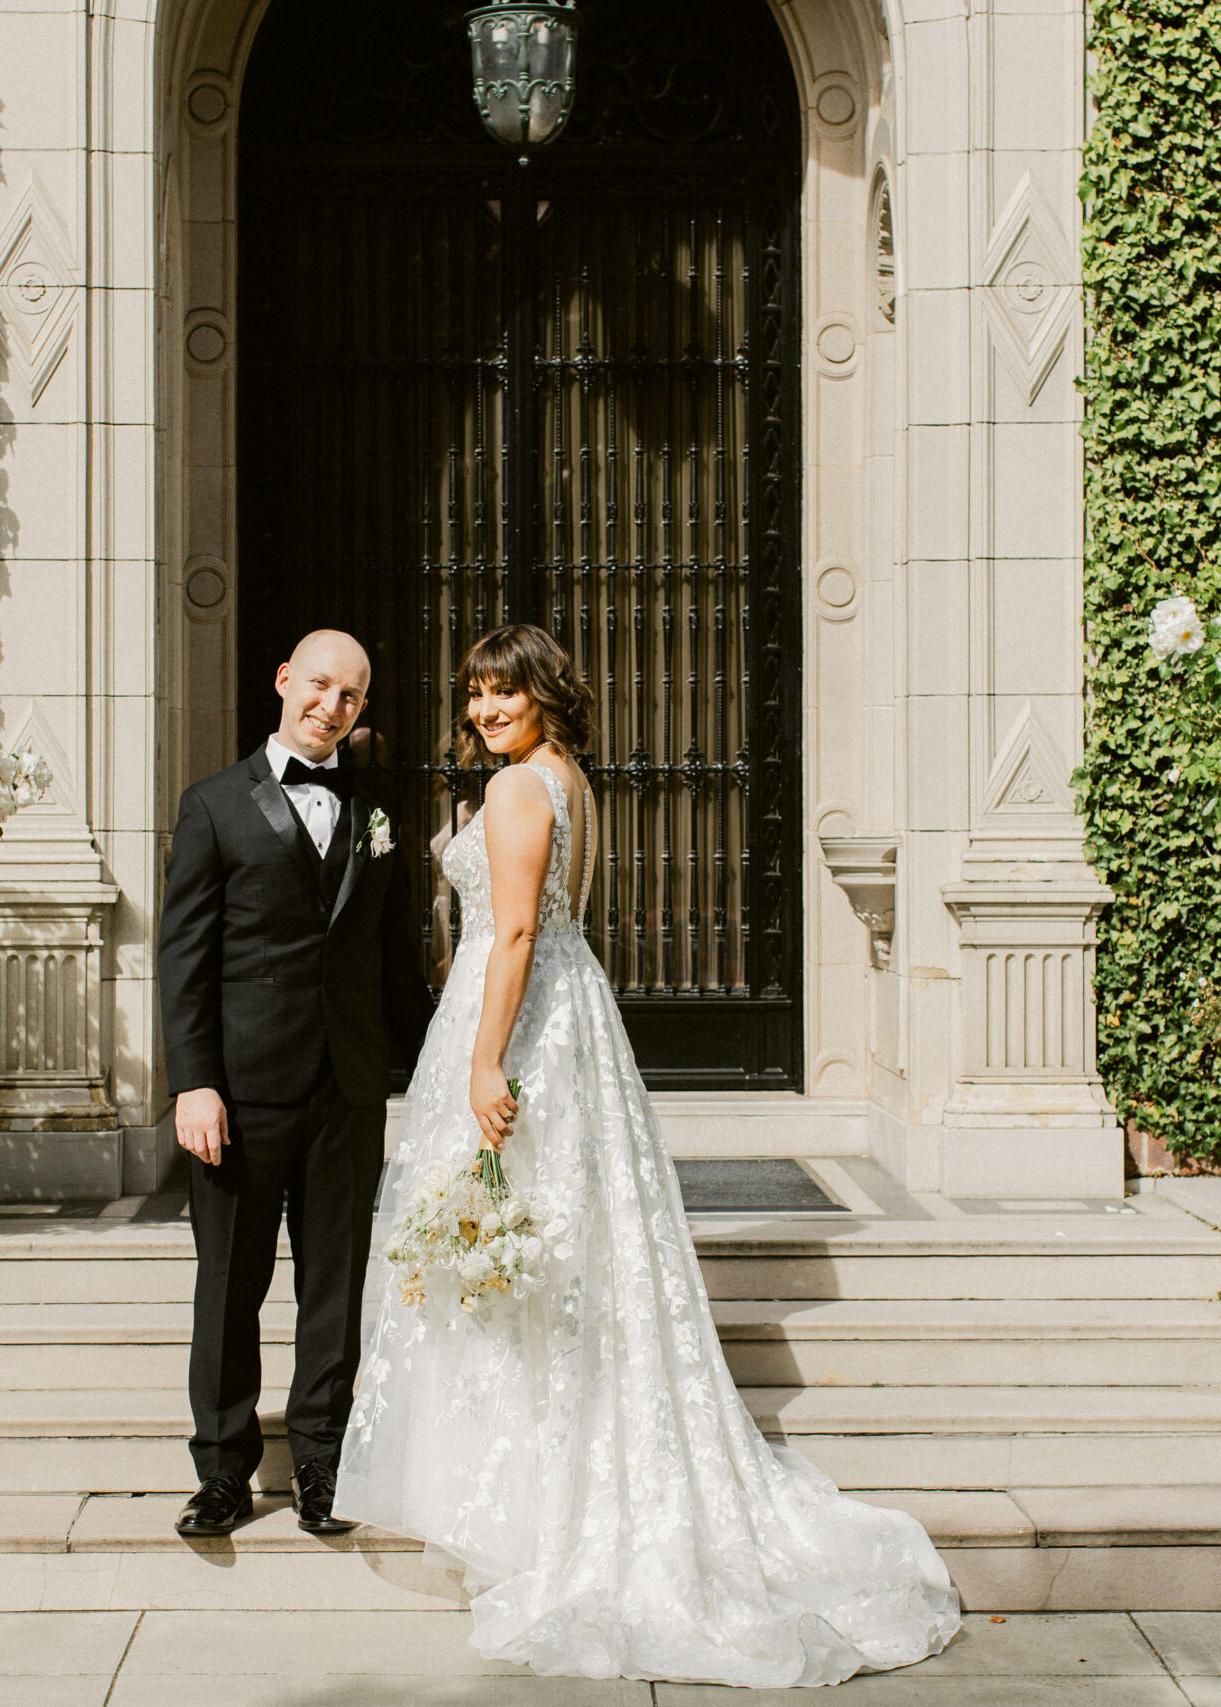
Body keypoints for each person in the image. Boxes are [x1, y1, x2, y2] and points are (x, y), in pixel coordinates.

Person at [335, 623, 961, 1687]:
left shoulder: (518, 792)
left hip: (521, 1022)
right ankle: (537, 1492)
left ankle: (529, 1512)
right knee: (548, 1253)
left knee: (509, 1249)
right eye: (475, 695)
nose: (484, 711)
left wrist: (486, 1063)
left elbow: (522, 931)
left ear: (542, 697)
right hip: (571, 1022)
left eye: (503, 694)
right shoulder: (568, 779)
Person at [157, 628, 429, 1538]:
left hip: (346, 1090)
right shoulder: (210, 807)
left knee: (333, 1284)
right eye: (320, 685)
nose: (332, 706)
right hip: (236, 1094)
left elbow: (395, 960)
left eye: (351, 696)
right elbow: (184, 959)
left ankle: (321, 1463)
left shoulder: (377, 812)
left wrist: (425, 1070)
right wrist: (193, 1082)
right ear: (284, 681)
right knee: (230, 1284)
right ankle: (224, 1470)